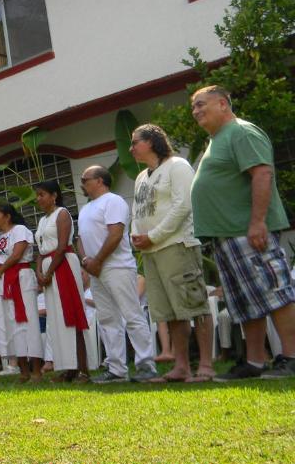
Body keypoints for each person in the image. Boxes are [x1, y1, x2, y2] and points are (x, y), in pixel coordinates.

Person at [189, 86, 295, 379]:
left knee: (276, 293)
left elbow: (262, 173)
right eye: (193, 107)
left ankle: (291, 356)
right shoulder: (217, 139)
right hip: (228, 236)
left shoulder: (242, 132)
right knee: (247, 301)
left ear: (223, 103)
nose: (196, 111)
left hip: (248, 231)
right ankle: (255, 363)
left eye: (201, 104)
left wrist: (258, 222)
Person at [129, 124, 214, 383]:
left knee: (194, 305)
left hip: (177, 246)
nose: (131, 148)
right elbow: (136, 210)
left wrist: (153, 235)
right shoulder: (142, 176)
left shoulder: (177, 166)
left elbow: (183, 206)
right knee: (170, 312)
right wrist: (136, 236)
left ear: (152, 142)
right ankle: (181, 367)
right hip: (152, 252)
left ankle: (206, 366)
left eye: (135, 142)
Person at [77, 166, 157, 383]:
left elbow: (115, 234)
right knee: (107, 318)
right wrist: (86, 261)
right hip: (95, 270)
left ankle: (146, 364)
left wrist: (98, 261)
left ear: (100, 181)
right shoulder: (86, 209)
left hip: (117, 267)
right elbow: (80, 239)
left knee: (131, 314)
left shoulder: (113, 201)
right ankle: (116, 369)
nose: (82, 182)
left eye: (86, 179)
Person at [34, 181, 90, 383]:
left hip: (63, 265)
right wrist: (39, 272)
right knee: (56, 319)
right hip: (49, 267)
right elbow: (40, 250)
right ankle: (68, 367)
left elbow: (61, 245)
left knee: (71, 313)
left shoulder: (62, 214)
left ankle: (83, 369)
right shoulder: (42, 221)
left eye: (42, 194)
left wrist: (48, 272)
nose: (38, 199)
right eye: (37, 195)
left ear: (54, 195)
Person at [0, 203, 43, 382]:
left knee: (28, 321)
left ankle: (36, 369)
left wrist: (0, 270)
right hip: (3, 281)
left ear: (7, 216)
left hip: (20, 277)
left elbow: (17, 254)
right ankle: (23, 370)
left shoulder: (20, 230)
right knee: (11, 324)